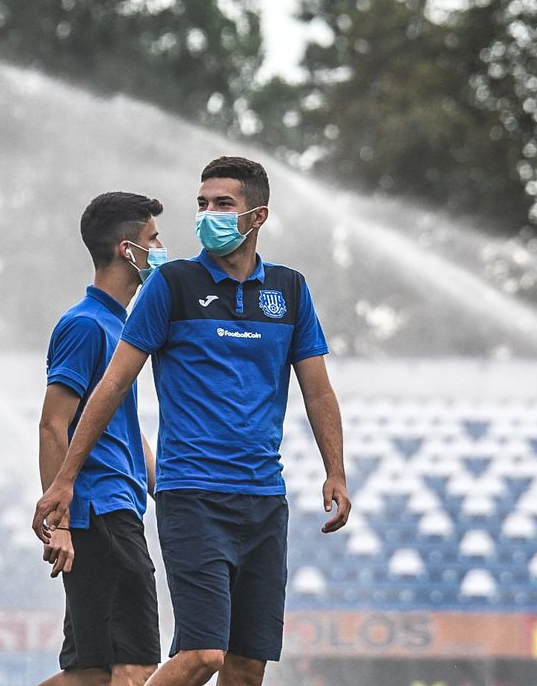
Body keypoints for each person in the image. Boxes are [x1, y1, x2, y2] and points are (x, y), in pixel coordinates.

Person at [34, 156, 352, 686]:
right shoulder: (171, 285)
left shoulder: (291, 291)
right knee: (202, 655)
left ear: (257, 216)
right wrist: (64, 479)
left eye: (223, 204)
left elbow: (317, 389)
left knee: (247, 670)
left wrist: (335, 470)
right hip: (194, 495)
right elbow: (111, 386)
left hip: (265, 499)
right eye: (202, 204)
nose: (207, 215)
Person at [37, 191, 167, 686]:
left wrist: (172, 491)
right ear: (126, 250)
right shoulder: (87, 325)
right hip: (102, 513)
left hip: (117, 508)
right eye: (153, 239)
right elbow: (53, 425)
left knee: (90, 674)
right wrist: (62, 523)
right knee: (133, 670)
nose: (161, 248)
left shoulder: (122, 326)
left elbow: (126, 434)